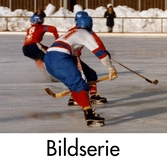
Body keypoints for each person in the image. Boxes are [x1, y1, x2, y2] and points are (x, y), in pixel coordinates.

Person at [44, 11, 118, 127]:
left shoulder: (72, 32)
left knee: (77, 85)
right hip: (60, 57)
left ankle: (83, 104)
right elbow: (100, 54)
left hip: (49, 59)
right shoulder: (85, 33)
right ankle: (89, 116)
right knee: (81, 85)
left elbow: (73, 58)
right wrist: (111, 68)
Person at [22, 11, 59, 81]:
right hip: (34, 46)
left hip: (25, 49)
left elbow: (32, 41)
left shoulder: (29, 29)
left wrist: (46, 48)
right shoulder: (40, 27)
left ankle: (46, 74)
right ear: (38, 20)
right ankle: (58, 74)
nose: (43, 21)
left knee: (37, 59)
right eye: (42, 19)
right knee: (49, 58)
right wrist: (57, 40)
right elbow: (53, 29)